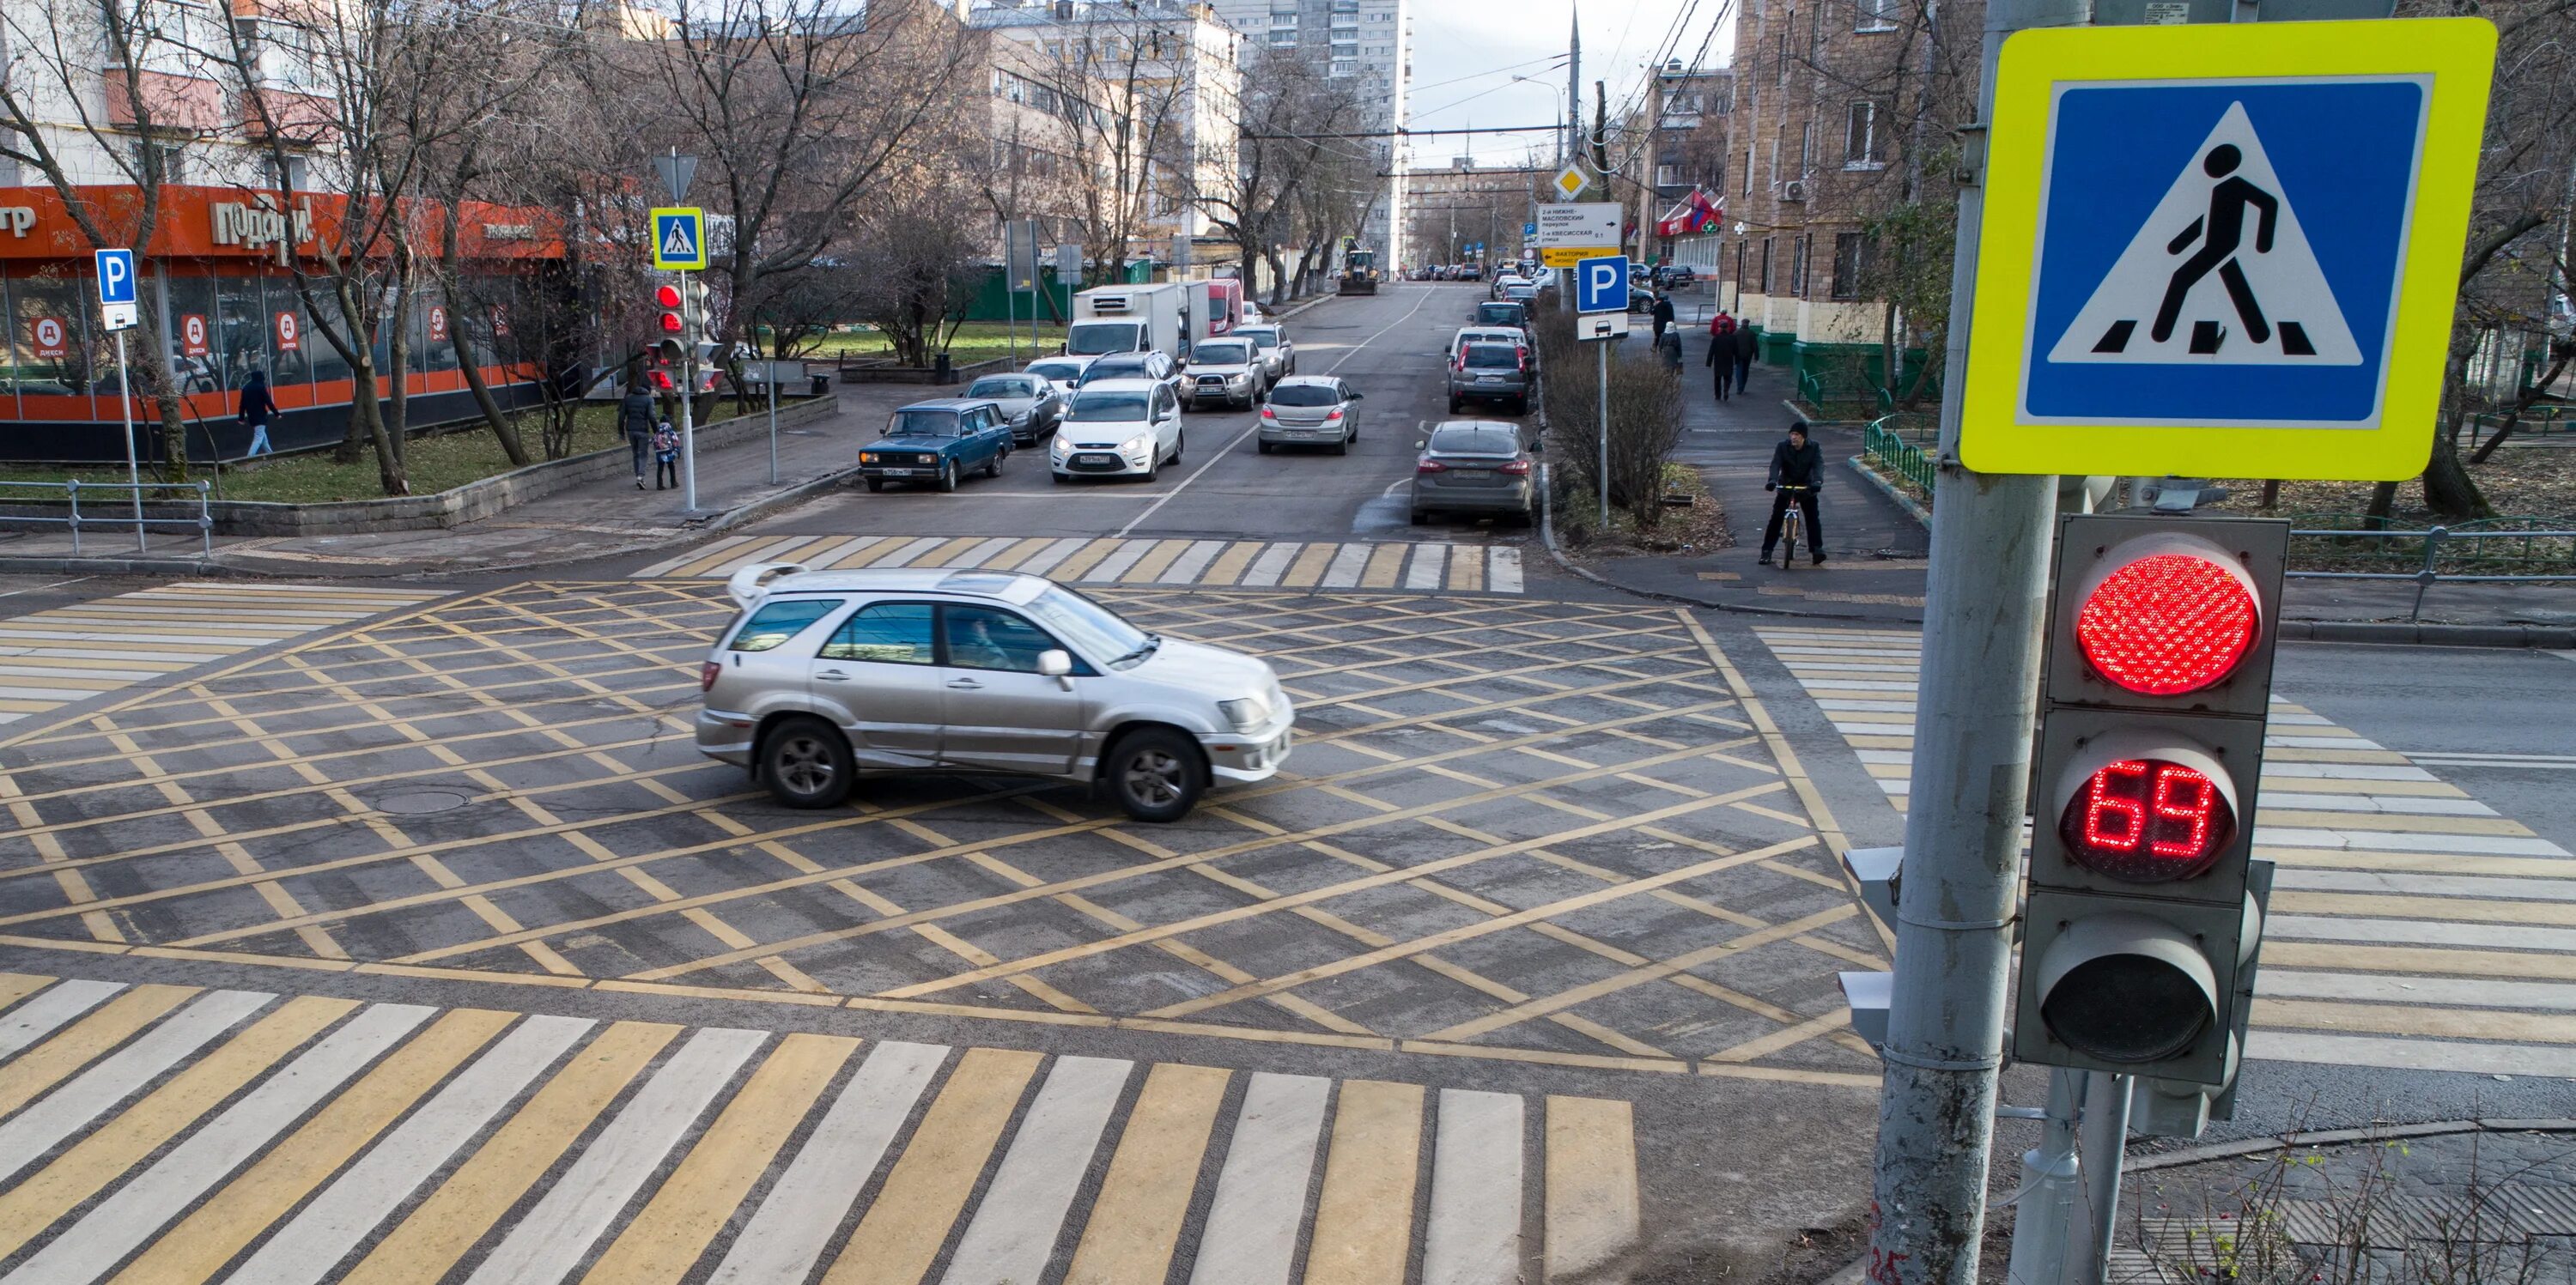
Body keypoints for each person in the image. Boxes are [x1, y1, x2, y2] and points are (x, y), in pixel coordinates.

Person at [1762, 421, 1826, 567]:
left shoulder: (1814, 447)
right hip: (1786, 486)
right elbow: (1776, 464)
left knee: (1812, 518)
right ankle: (1766, 551)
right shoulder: (1782, 447)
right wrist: (1772, 480)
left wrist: (1818, 482)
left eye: (1796, 434)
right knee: (1776, 518)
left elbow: (1818, 465)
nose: (1793, 437)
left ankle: (1817, 550)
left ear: (1803, 437)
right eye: (1791, 434)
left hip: (1806, 488)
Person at [619, 383, 657, 490]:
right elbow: (652, 416)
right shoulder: (649, 399)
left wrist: (621, 432)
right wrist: (656, 431)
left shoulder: (628, 398)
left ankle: (638, 477)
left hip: (631, 430)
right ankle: (641, 476)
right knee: (643, 454)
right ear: (647, 390)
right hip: (643, 430)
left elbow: (621, 416)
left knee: (635, 454)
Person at [237, 369, 276, 458]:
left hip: (252, 417)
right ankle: (249, 457)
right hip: (261, 416)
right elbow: (268, 402)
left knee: (263, 438)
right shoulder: (260, 387)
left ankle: (271, 455)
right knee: (258, 438)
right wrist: (276, 413)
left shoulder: (246, 388)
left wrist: (241, 418)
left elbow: (242, 404)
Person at [1705, 311, 1737, 401]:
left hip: (1718, 361)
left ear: (1720, 328)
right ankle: (1726, 390)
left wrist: (1709, 362)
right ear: (1727, 328)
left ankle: (1717, 395)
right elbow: (1736, 350)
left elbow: (1711, 351)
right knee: (1728, 377)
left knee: (1717, 379)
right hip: (1729, 360)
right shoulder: (1732, 338)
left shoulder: (1716, 338)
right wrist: (1737, 360)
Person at [1731, 319, 1758, 393]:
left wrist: (1731, 354)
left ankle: (1739, 387)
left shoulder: (1736, 333)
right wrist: (1756, 357)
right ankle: (1742, 387)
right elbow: (1755, 346)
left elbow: (1732, 345)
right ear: (1748, 324)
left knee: (1739, 370)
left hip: (1738, 355)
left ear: (1742, 323)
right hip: (1748, 355)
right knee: (1745, 371)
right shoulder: (1751, 333)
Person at [653, 419, 679, 491]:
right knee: (671, 466)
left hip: (659, 451)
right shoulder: (670, 431)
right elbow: (675, 440)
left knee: (660, 467)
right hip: (668, 451)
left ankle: (659, 485)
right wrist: (676, 449)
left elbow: (654, 441)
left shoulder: (657, 432)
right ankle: (673, 483)